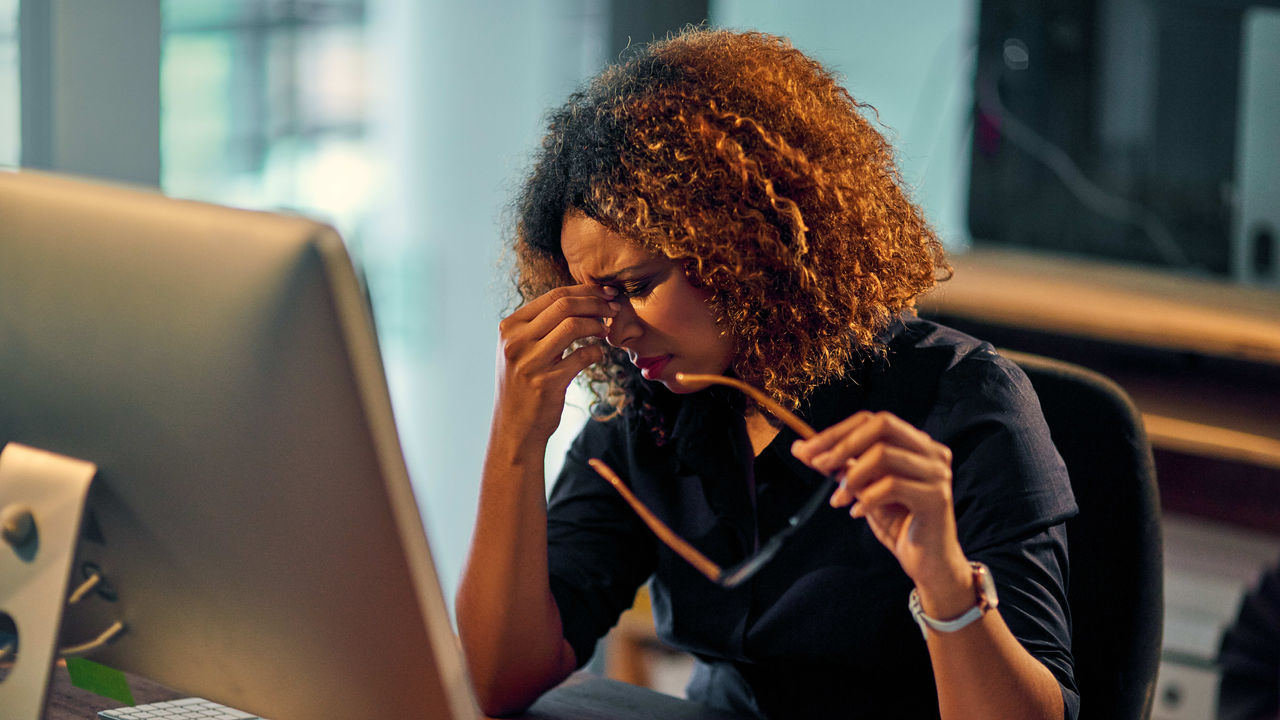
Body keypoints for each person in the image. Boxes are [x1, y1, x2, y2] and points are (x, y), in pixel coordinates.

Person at [456, 28, 1078, 719]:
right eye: (596, 298)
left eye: (636, 284)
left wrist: (945, 578)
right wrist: (517, 437)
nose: (616, 329)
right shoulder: (650, 414)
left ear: (744, 242)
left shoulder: (962, 403)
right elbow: (494, 682)